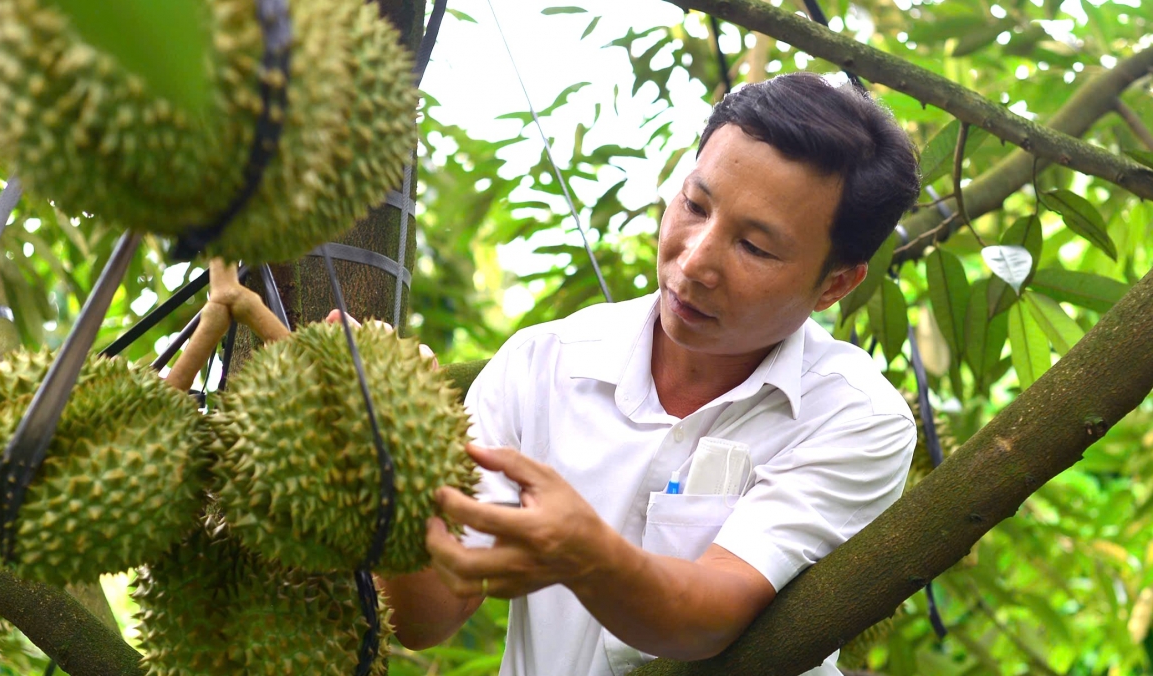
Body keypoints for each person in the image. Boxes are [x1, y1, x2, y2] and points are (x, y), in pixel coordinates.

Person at [370, 71, 922, 676]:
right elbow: (425, 617)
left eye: (755, 247)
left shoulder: (854, 417)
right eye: (695, 206)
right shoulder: (544, 362)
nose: (696, 260)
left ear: (835, 284)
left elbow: (710, 615)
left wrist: (587, 555)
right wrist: (395, 458)